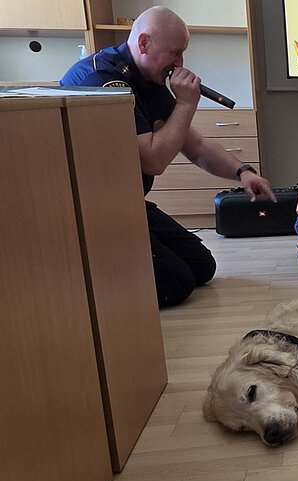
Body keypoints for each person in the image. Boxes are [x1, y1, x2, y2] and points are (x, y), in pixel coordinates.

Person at [60, 6, 276, 307]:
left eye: (183, 53)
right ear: (145, 43)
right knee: (176, 283)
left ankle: (126, 259)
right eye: (175, 53)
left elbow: (197, 147)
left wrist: (244, 172)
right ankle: (89, 284)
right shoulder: (103, 80)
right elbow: (152, 161)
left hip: (128, 203)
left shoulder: (150, 81)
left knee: (201, 266)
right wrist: (186, 105)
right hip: (93, 211)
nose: (180, 63)